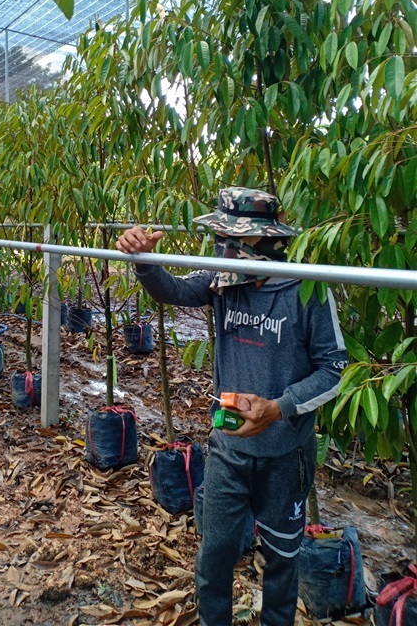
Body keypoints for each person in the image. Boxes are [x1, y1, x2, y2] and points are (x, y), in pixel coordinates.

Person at [116, 187, 347, 626]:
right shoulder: (224, 277)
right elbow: (176, 291)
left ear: (261, 242)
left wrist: (278, 408)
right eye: (220, 238)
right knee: (214, 557)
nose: (220, 250)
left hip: (286, 457)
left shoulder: (308, 290)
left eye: (229, 239)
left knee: (281, 565)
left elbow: (335, 369)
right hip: (226, 450)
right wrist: (143, 261)